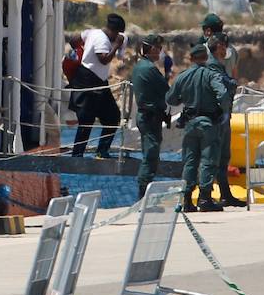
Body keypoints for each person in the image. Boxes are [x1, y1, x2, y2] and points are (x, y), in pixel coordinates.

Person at [166, 44, 230, 213]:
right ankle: (205, 198)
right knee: (209, 160)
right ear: (206, 57)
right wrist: (224, 111)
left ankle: (187, 200)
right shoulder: (211, 75)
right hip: (208, 123)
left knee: (190, 161)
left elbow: (171, 99)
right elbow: (223, 94)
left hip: (190, 123)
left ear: (191, 58)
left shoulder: (183, 76)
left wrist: (184, 98)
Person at [68, 14, 127, 159]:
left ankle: (101, 151)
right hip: (90, 81)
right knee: (86, 120)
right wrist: (117, 45)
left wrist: (82, 51)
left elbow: (73, 40)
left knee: (112, 116)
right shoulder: (102, 40)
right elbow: (104, 59)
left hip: (98, 81)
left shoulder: (92, 32)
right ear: (115, 32)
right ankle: (77, 155)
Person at [206, 33, 246, 207]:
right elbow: (222, 91)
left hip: (223, 117)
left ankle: (224, 193)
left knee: (223, 157)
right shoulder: (212, 67)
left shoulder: (220, 67)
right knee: (212, 157)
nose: (226, 49)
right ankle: (206, 196)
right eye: (224, 45)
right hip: (217, 118)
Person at [131, 34, 169, 199]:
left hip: (147, 116)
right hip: (150, 117)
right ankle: (143, 195)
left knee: (149, 152)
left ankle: (144, 193)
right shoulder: (149, 69)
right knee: (151, 155)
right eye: (158, 48)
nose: (160, 52)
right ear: (151, 48)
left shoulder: (141, 66)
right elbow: (167, 90)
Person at [199, 13, 239, 78]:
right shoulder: (233, 50)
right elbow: (234, 74)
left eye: (204, 29)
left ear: (208, 30)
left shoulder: (205, 49)